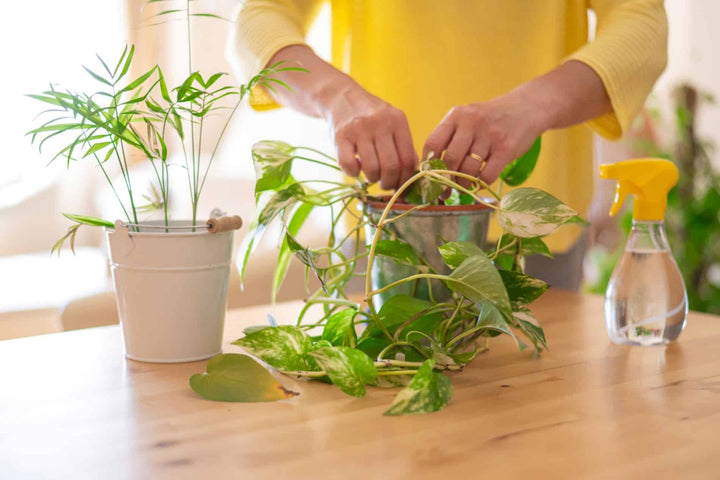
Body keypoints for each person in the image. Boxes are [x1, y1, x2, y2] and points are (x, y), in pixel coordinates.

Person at [231, 0, 668, 290]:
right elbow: (257, 21)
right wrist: (335, 97)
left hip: (532, 244)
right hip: (382, 231)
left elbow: (641, 26)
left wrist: (529, 107)